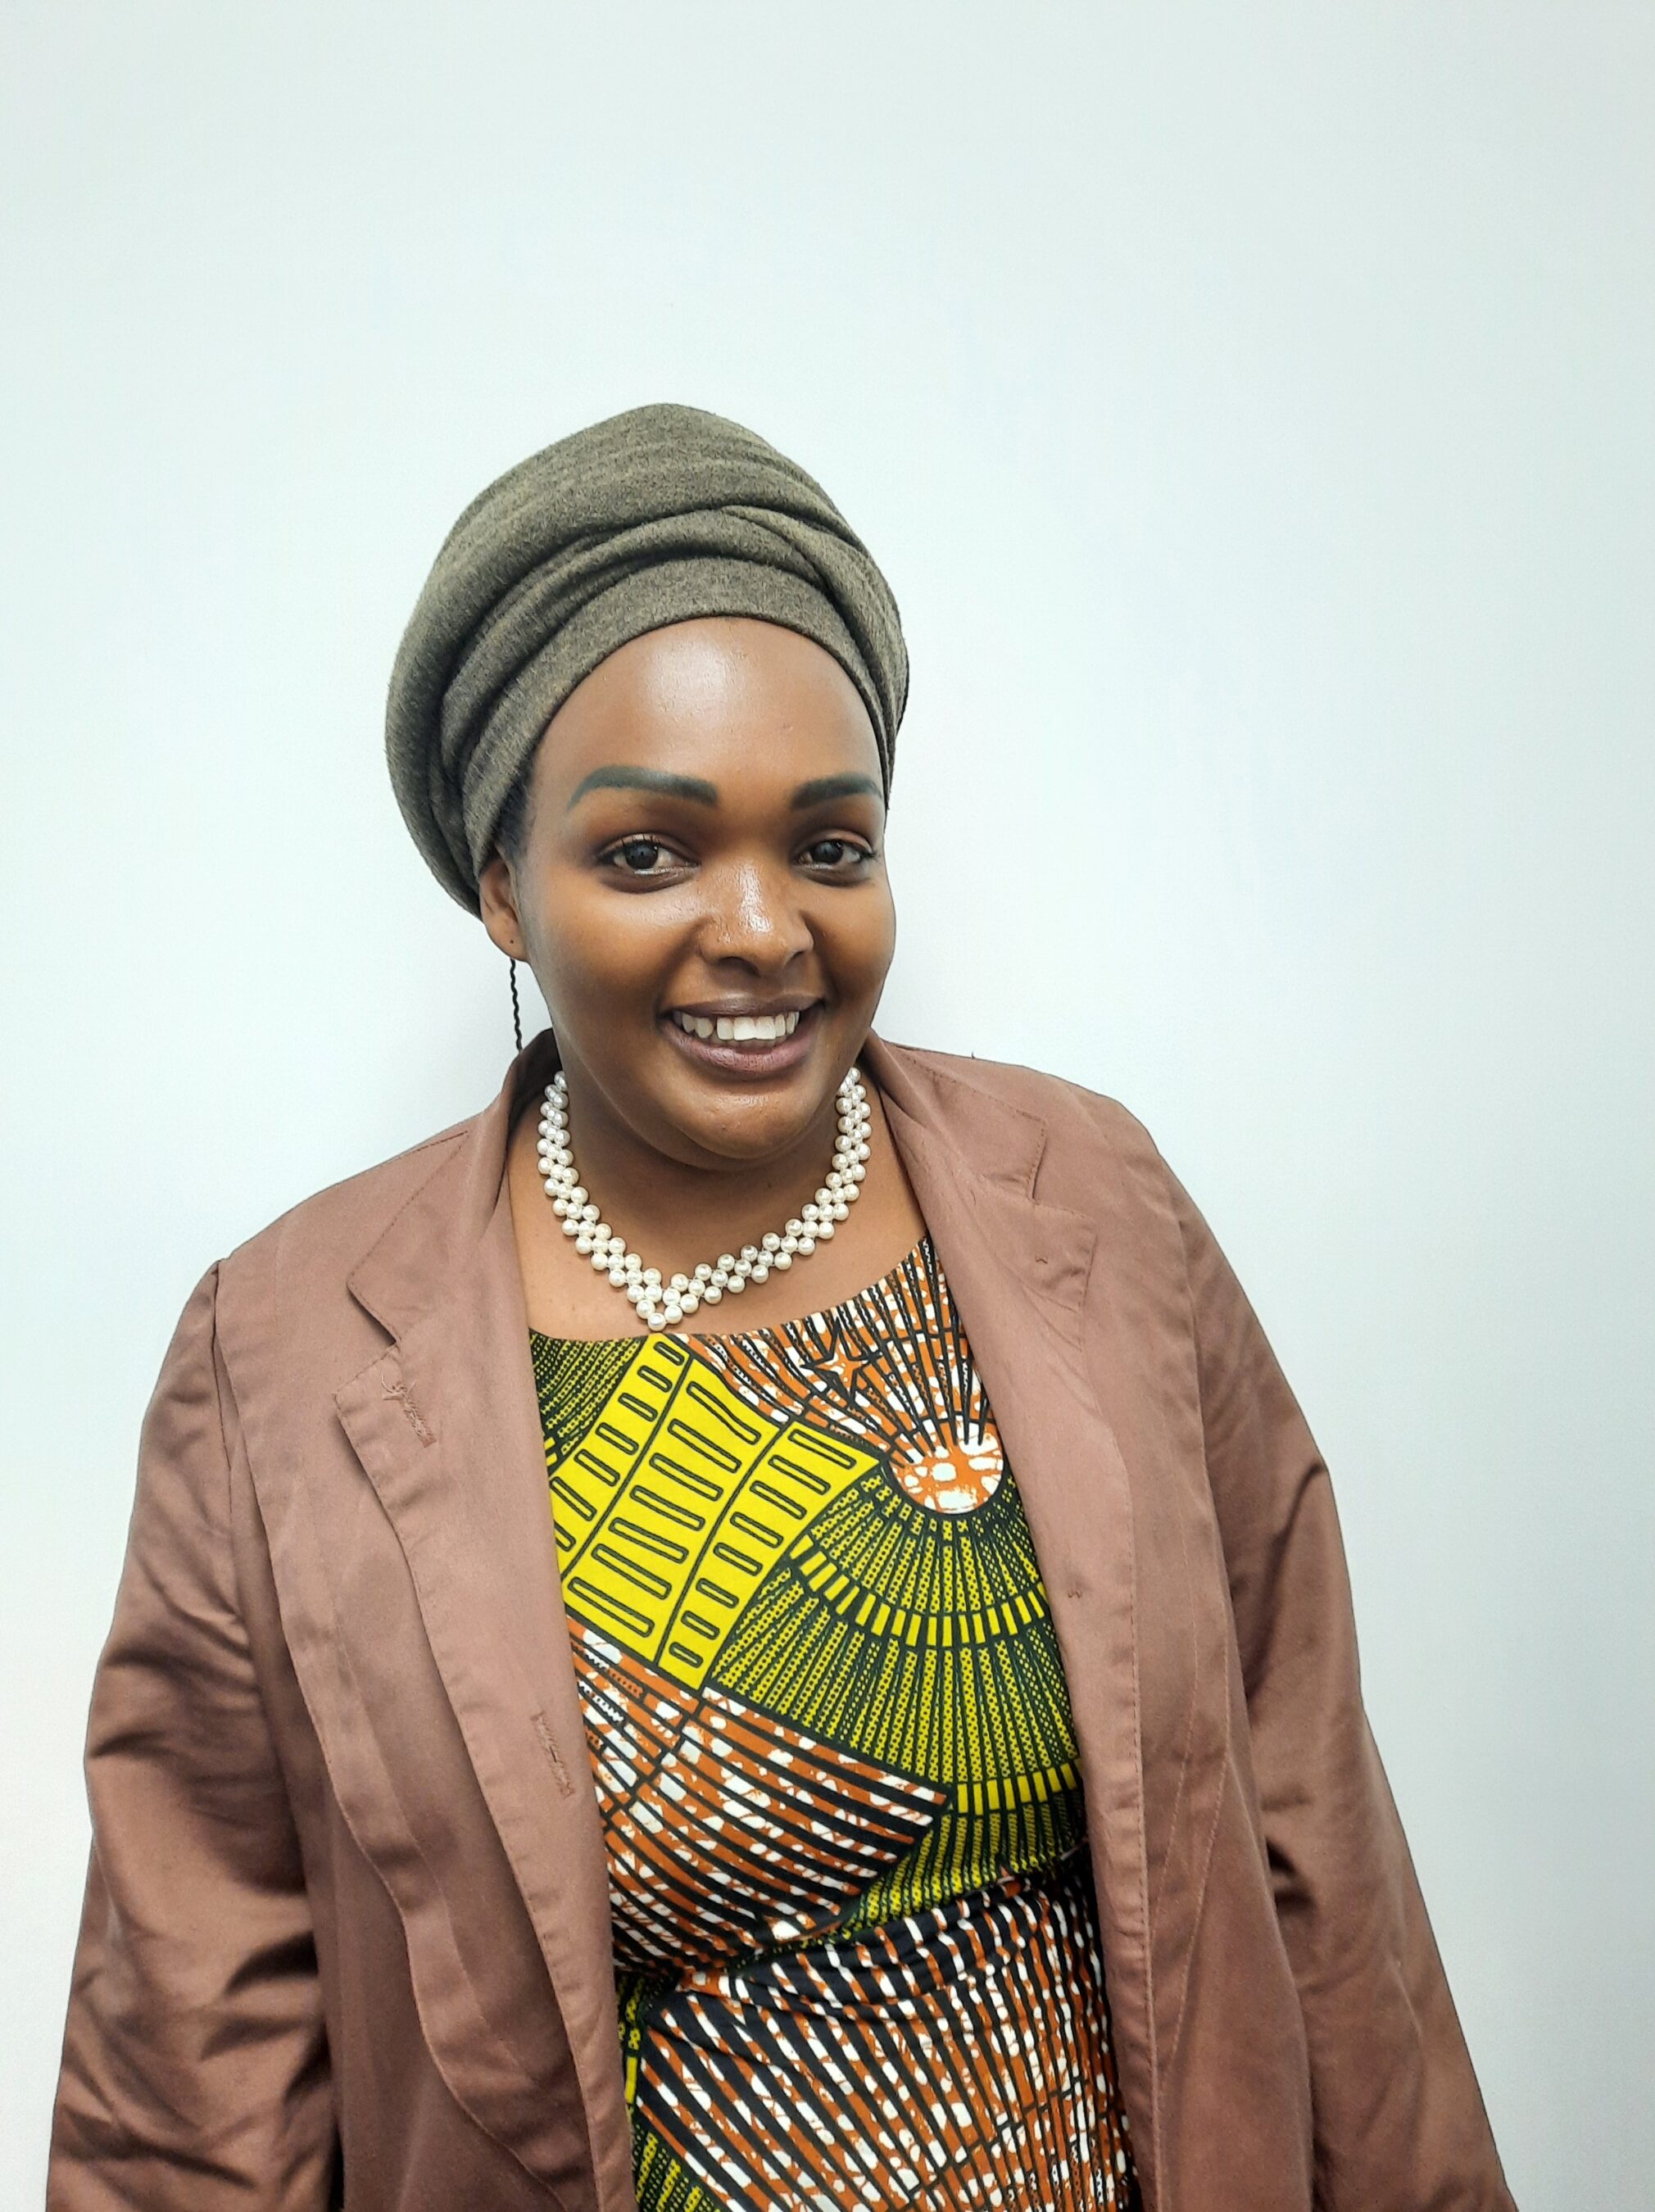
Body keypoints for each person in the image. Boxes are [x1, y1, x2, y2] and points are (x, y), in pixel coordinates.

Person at [48, 403, 1514, 2212]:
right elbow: (190, 2071)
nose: (760, 929)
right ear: (501, 885)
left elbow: (1324, 1866)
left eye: (828, 846)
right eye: (647, 856)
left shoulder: (1101, 1213)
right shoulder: (275, 1362)